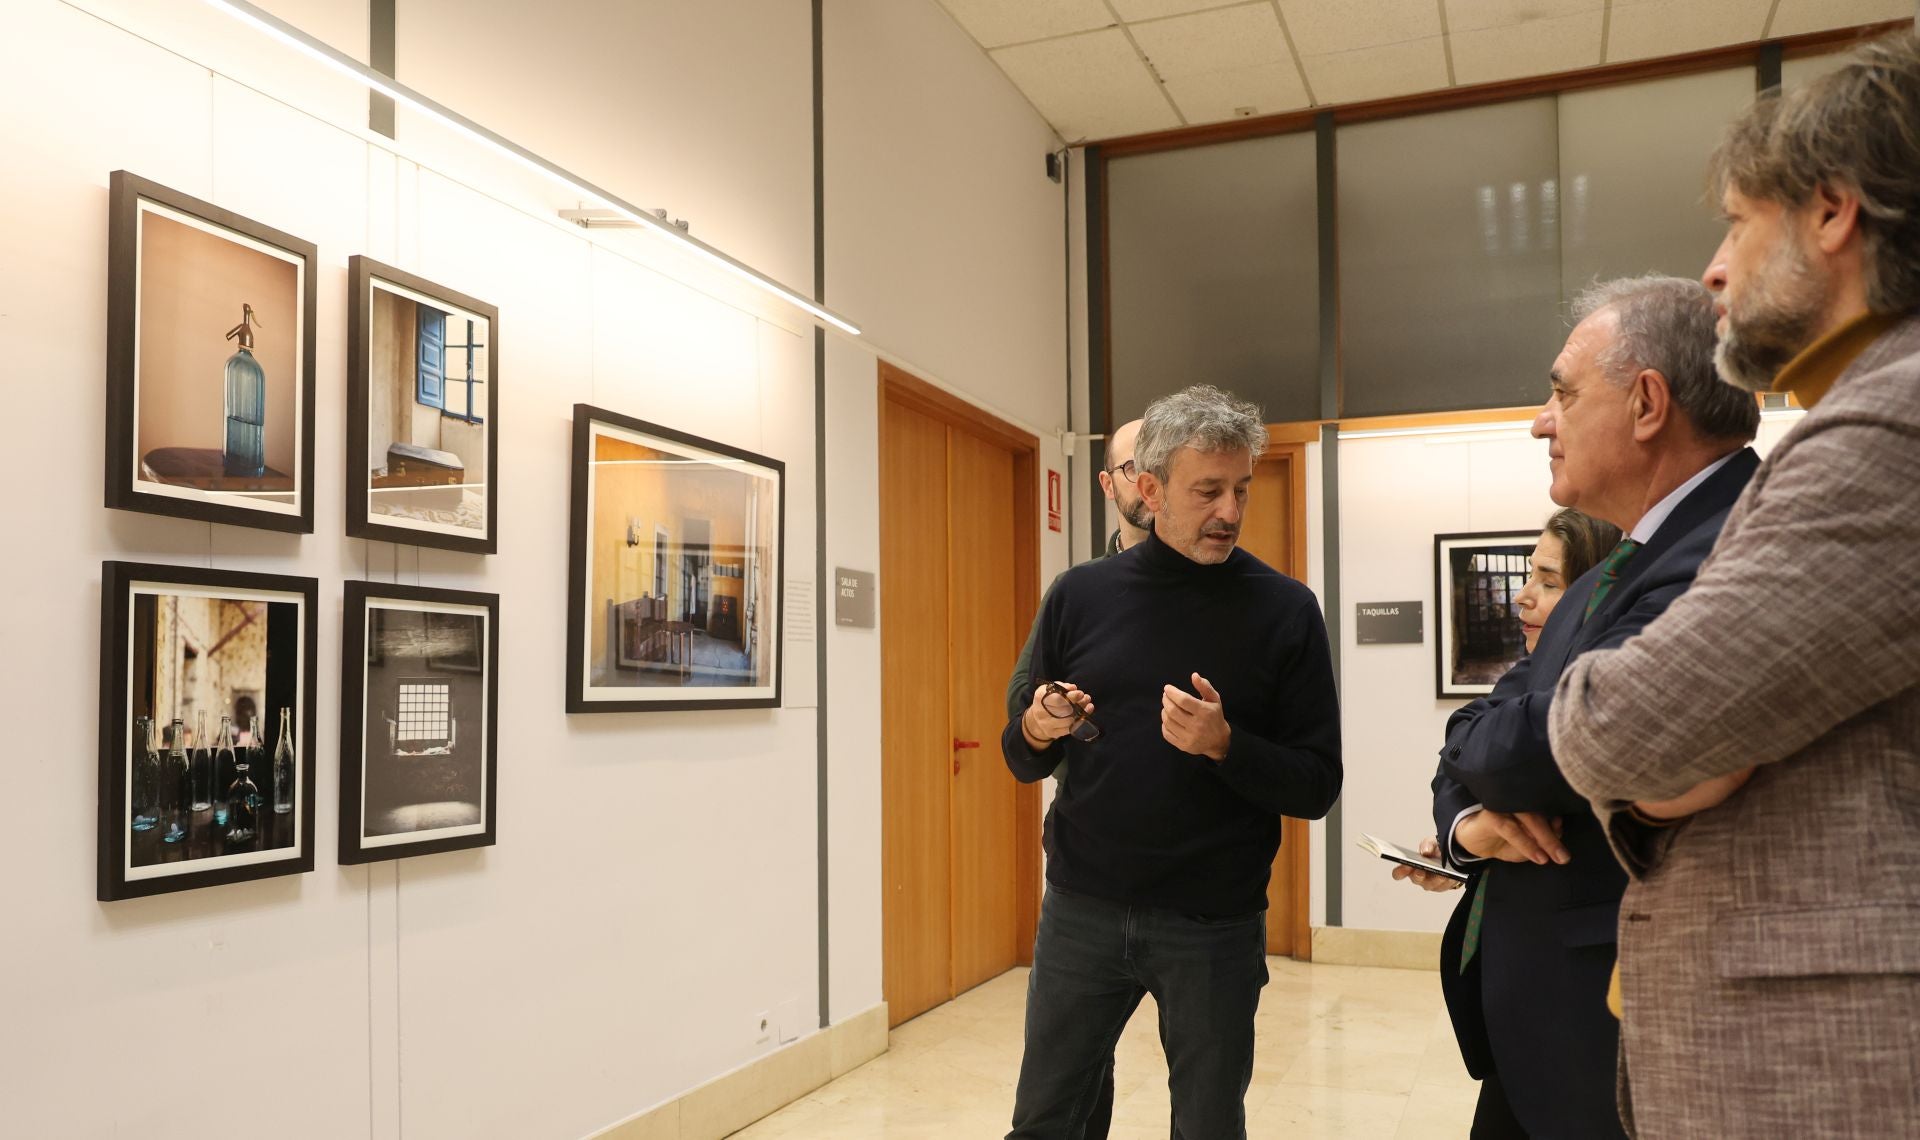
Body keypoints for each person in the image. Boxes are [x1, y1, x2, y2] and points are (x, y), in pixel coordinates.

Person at [1548, 32, 1920, 1137]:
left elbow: (1620, 725)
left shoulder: (1889, 422)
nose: (1714, 268)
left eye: (1736, 223)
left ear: (1831, 212)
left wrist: (1649, 756)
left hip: (1829, 1064)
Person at [1411, 275, 1761, 1138]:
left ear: (1647, 403)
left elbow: (1543, 745)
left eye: (1563, 393)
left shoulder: (1728, 548)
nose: (1540, 420)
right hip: (1535, 1032)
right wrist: (1471, 825)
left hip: (1613, 1030)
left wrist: (1502, 752)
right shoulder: (1609, 574)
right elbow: (1482, 729)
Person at [1001, 385, 1341, 1140]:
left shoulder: (1285, 611)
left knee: (1208, 1126)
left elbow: (1318, 783)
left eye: (1241, 489)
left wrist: (1226, 746)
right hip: (1081, 912)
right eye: (1208, 490)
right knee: (1046, 1120)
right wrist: (1038, 723)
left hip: (1212, 925)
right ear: (1148, 491)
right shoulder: (1079, 596)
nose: (1230, 510)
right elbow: (1021, 757)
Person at [1001, 416, 1148, 1140]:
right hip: (1088, 880)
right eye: (1130, 468)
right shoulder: (1077, 593)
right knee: (1068, 1081)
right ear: (1107, 484)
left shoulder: (1238, 594)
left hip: (1200, 899)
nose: (1145, 482)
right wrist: (1057, 723)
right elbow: (1023, 710)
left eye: (1159, 465)